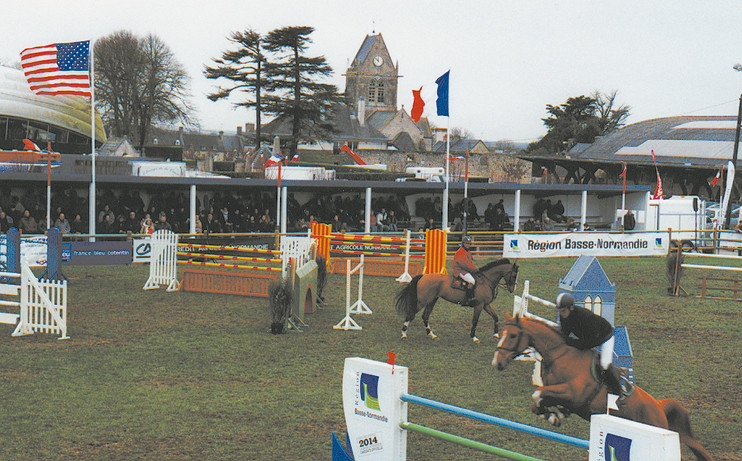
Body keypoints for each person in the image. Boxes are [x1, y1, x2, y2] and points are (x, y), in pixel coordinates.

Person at [554, 293, 627, 399]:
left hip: (604, 336)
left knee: (604, 364)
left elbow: (591, 342)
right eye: (559, 311)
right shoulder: (564, 315)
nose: (561, 313)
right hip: (588, 338)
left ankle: (619, 393)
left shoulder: (584, 317)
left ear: (571, 308)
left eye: (563, 310)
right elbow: (565, 333)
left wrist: (572, 342)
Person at [452, 235, 478, 306]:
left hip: (465, 269)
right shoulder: (460, 252)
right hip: (459, 270)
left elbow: (470, 263)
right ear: (463, 244)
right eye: (467, 243)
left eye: (469, 244)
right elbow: (465, 265)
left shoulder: (467, 252)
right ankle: (468, 299)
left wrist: (475, 268)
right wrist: (474, 269)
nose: (468, 245)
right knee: (472, 281)